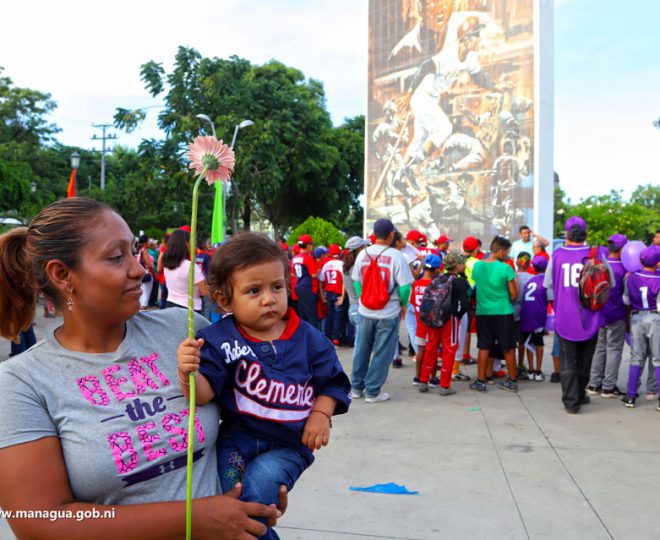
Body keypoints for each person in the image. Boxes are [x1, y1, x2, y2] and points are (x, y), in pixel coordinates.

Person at [0, 198, 286, 539]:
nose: (140, 270)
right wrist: (195, 519)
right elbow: (37, 521)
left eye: (134, 252)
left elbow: (251, 415)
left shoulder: (185, 328)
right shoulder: (22, 382)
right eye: (116, 257)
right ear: (62, 275)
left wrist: (262, 477)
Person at [177, 233, 350, 540]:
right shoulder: (220, 340)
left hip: (290, 445)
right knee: (230, 497)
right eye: (254, 291)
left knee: (259, 488)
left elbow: (333, 382)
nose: (269, 299)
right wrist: (187, 371)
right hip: (237, 439)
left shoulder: (310, 339)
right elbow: (202, 395)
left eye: (277, 287)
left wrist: (321, 414)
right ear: (224, 300)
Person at [544, 216, 609, 414]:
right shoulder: (597, 254)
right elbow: (610, 283)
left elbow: (548, 283)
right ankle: (580, 394)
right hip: (591, 315)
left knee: (567, 361)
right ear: (585, 233)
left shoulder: (557, 254)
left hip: (565, 315)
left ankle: (571, 402)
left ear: (567, 233)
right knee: (585, 360)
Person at [351, 219, 414, 403]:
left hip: (365, 310)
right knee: (382, 352)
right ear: (391, 235)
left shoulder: (363, 254)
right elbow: (405, 287)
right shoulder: (397, 256)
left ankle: (356, 388)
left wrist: (364, 298)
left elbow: (356, 280)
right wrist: (403, 305)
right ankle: (372, 391)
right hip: (388, 312)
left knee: (361, 350)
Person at [469, 236, 519, 393]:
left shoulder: (478, 266)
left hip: (483, 312)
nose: (507, 255)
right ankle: (512, 381)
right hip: (503, 312)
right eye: (507, 252)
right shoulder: (506, 268)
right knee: (508, 347)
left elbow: (477, 286)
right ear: (501, 251)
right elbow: (514, 295)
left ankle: (481, 381)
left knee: (483, 347)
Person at [418, 252, 470, 395]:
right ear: (457, 265)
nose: (464, 265)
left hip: (433, 318)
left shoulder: (437, 278)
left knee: (430, 349)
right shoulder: (459, 281)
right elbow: (465, 305)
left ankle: (423, 380)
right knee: (449, 351)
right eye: (462, 263)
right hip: (450, 320)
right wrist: (457, 317)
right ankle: (444, 385)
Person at [586, 234, 628, 397]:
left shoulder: (599, 265)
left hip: (599, 313)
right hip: (616, 313)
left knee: (599, 348)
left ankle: (593, 384)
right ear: (622, 249)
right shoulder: (624, 269)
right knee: (614, 349)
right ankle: (608, 387)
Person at [620, 245, 660, 408]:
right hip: (655, 318)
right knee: (658, 359)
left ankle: (631, 396)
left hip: (637, 318)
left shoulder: (631, 277)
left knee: (636, 357)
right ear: (657, 262)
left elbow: (626, 301)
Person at [410, 254, 442, 386]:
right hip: (432, 323)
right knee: (432, 351)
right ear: (436, 269)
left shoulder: (416, 284)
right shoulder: (435, 285)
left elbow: (413, 302)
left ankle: (417, 377)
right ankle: (433, 378)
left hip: (420, 323)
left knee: (421, 351)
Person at [159, 229, 209, 313]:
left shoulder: (167, 264)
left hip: (171, 304)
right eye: (190, 242)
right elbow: (205, 291)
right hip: (189, 308)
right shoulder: (190, 266)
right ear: (186, 244)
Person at [520, 255, 549, 381]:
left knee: (529, 342)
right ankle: (538, 371)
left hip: (526, 314)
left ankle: (531, 370)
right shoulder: (546, 281)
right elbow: (551, 299)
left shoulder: (530, 280)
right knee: (539, 343)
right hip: (538, 315)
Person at [342, 236, 370, 348]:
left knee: (361, 344)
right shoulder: (356, 268)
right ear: (359, 249)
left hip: (353, 307)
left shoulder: (346, 266)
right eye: (364, 247)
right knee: (361, 346)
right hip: (360, 308)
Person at [292, 234, 321, 330]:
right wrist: (319, 270)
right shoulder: (308, 258)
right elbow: (313, 275)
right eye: (311, 244)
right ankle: (314, 336)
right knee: (312, 316)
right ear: (308, 245)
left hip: (299, 286)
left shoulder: (295, 258)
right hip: (308, 288)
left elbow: (292, 273)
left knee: (302, 314)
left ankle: (302, 335)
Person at [319, 243, 345, 345]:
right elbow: (344, 282)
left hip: (329, 292)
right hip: (338, 292)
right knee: (338, 317)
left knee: (329, 315)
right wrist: (343, 296)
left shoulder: (326, 264)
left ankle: (328, 336)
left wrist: (322, 295)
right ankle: (336, 337)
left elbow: (321, 280)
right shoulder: (341, 264)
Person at [137, 234, 154, 310]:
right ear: (144, 243)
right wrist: (154, 274)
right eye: (149, 240)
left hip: (142, 274)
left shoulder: (140, 250)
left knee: (142, 295)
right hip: (147, 274)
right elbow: (149, 265)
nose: (150, 242)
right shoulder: (145, 251)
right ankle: (143, 311)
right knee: (146, 295)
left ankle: (140, 312)